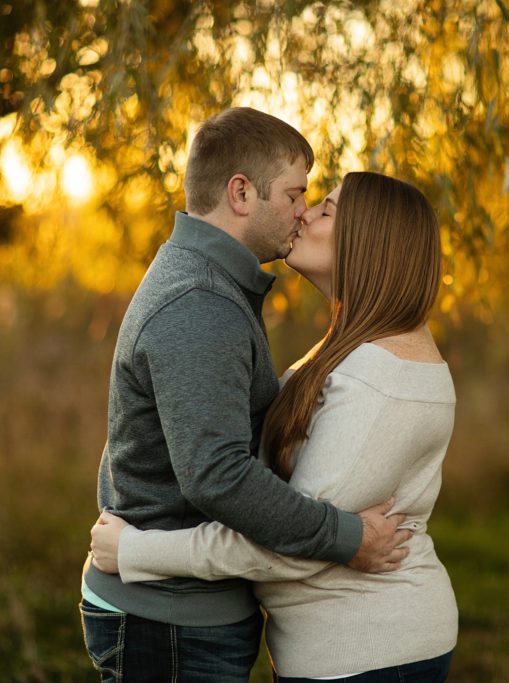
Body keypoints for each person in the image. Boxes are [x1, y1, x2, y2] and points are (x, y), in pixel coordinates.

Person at [80, 110, 410, 683]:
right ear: (240, 193)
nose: (304, 211)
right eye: (295, 194)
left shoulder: (213, 285)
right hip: (170, 620)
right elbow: (218, 474)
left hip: (184, 611)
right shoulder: (199, 303)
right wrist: (347, 538)